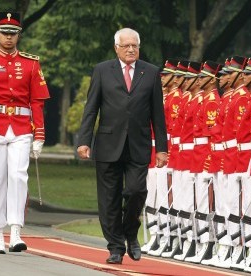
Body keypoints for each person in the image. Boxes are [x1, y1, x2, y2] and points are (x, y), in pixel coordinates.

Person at [77, 28, 168, 265]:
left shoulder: (150, 72)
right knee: (109, 200)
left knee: (136, 191)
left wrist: (161, 147)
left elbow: (158, 114)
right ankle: (115, 246)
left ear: (139, 47)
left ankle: (130, 231)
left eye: (134, 46)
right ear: (116, 47)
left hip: (138, 144)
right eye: (126, 46)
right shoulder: (102, 70)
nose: (130, 50)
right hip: (108, 143)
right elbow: (91, 108)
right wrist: (84, 140)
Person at [0, 11, 50, 254]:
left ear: (19, 36)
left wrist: (40, 135)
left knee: (18, 176)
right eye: (4, 33)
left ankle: (15, 231)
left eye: (13, 34)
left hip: (22, 127)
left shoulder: (31, 63)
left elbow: (37, 101)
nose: (9, 38)